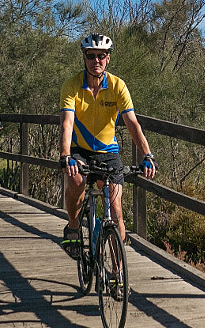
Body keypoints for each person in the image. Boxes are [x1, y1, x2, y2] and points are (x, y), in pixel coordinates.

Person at [58, 33, 156, 258]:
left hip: (108, 153)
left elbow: (132, 123)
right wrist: (65, 155)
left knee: (116, 211)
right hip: (79, 150)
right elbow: (67, 123)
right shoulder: (72, 85)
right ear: (84, 57)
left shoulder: (117, 85)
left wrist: (147, 155)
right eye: (91, 56)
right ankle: (73, 224)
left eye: (101, 56)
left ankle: (118, 275)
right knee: (76, 180)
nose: (96, 61)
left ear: (108, 58)